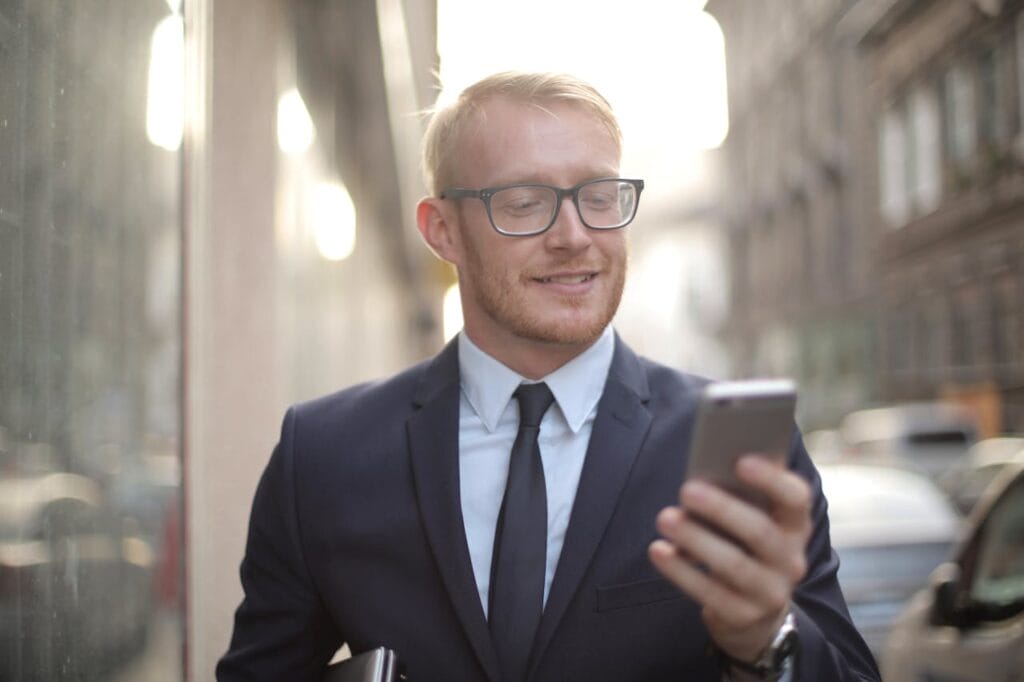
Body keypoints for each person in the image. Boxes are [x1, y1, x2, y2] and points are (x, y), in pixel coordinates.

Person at [217, 71, 879, 682]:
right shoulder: (324, 455)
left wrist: (767, 637)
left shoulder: (731, 450)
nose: (574, 235)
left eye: (599, 196)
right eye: (526, 202)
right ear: (442, 230)